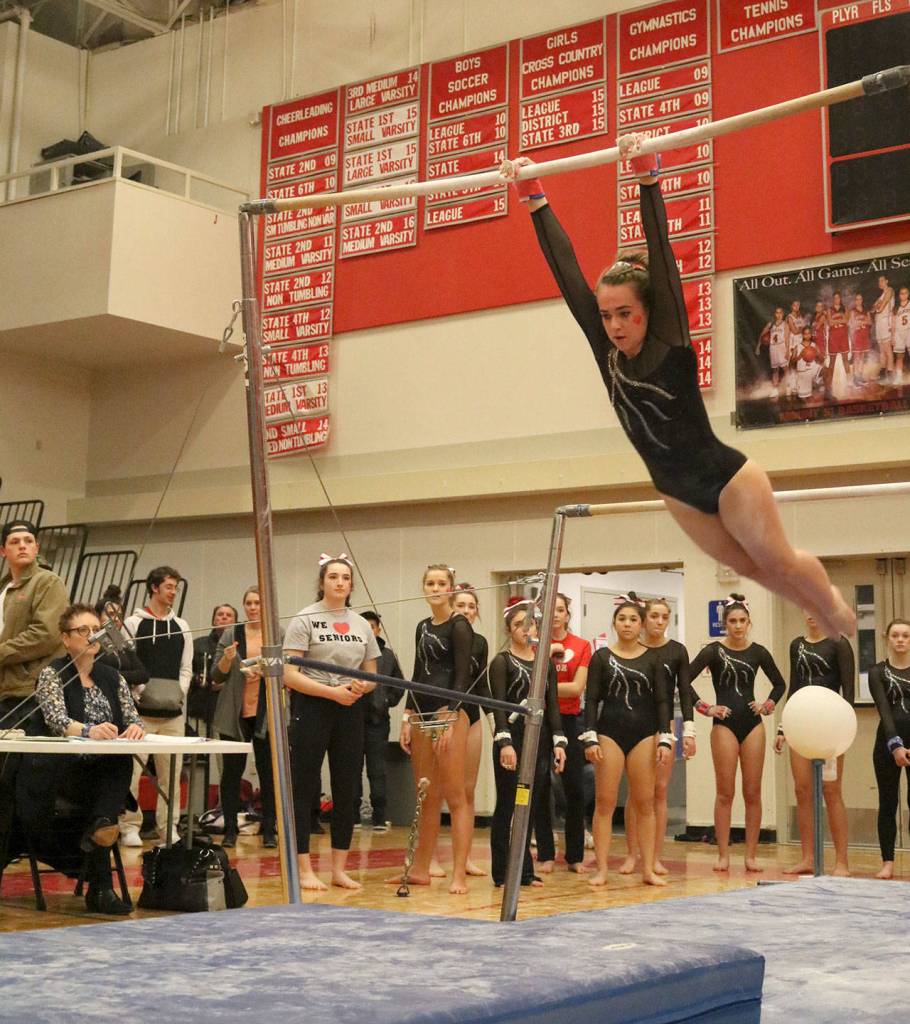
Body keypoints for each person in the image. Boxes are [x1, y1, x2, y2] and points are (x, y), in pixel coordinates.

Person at [501, 141, 854, 640]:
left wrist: (648, 180)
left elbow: (662, 253)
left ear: (648, 309)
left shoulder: (668, 338)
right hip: (678, 493)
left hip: (728, 479)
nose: (615, 325)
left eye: (625, 313)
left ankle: (833, 606)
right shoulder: (604, 348)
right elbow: (566, 273)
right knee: (756, 573)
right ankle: (817, 609)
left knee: (779, 560)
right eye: (606, 315)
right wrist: (533, 195)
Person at [33, 604, 146, 914]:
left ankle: (100, 832)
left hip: (104, 772)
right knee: (106, 795)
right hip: (65, 770)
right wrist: (89, 731)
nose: (92, 635)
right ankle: (101, 884)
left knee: (119, 764)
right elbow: (56, 720)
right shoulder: (52, 674)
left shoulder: (113, 676)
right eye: (83, 630)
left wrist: (135, 728)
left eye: (95, 628)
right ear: (65, 638)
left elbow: (133, 716)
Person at [283, 555, 380, 891]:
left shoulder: (361, 624)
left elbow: (372, 675)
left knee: (347, 786)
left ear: (351, 584)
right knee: (305, 785)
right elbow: (289, 674)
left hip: (350, 708)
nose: (340, 582)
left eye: (345, 578)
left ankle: (339, 868)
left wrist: (359, 687)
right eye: (333, 577)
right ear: (322, 581)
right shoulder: (305, 618)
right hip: (312, 705)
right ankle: (303, 866)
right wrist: (329, 692)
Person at [689, 595, 786, 873]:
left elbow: (780, 683)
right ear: (724, 624)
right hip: (724, 726)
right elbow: (683, 681)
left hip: (752, 724)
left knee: (753, 792)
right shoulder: (713, 651)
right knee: (725, 792)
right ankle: (723, 854)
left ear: (749, 622)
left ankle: (751, 855)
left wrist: (767, 706)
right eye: (732, 621)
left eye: (742, 621)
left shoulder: (758, 652)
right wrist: (706, 708)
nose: (738, 626)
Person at [393, 564, 474, 895]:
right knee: (425, 795)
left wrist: (452, 715)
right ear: (424, 588)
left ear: (451, 588)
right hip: (422, 714)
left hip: (450, 714)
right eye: (430, 582)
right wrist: (407, 715)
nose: (436, 587)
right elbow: (417, 672)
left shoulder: (459, 626)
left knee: (455, 797)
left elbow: (462, 676)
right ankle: (421, 870)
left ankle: (458, 874)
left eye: (442, 583)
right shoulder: (423, 626)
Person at [580, 595, 671, 888]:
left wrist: (665, 739)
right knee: (605, 803)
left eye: (633, 619)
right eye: (622, 619)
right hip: (609, 733)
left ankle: (647, 868)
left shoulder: (653, 659)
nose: (628, 624)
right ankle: (603, 869)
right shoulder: (601, 658)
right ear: (615, 624)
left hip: (644, 734)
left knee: (645, 803)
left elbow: (661, 702)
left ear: (640, 624)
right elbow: (591, 700)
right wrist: (590, 737)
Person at [489, 601, 566, 887]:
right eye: (519, 624)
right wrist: (505, 742)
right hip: (512, 740)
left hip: (539, 741)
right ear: (509, 629)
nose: (526, 629)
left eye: (530, 624)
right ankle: (501, 872)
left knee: (529, 804)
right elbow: (497, 706)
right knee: (508, 806)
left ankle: (524, 870)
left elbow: (554, 706)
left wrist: (559, 742)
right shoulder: (502, 662)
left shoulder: (544, 664)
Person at [775, 613, 854, 876]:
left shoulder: (839, 643)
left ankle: (841, 861)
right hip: (800, 724)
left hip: (830, 726)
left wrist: (843, 729)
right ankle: (808, 857)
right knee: (802, 790)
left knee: (831, 791)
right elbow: (794, 686)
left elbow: (849, 692)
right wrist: (783, 728)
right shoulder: (796, 645)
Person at [621, 596, 694, 876]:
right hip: (635, 721)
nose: (659, 622)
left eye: (665, 617)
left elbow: (685, 692)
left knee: (659, 791)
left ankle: (655, 855)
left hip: (664, 724)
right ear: (644, 618)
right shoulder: (632, 649)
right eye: (654, 616)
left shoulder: (676, 651)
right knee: (636, 792)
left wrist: (689, 729)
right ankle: (631, 853)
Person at [121, 566, 193, 846]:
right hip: (139, 715)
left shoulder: (182, 626)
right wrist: (140, 693)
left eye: (175, 587)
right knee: (133, 774)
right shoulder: (133, 624)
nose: (173, 592)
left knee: (171, 775)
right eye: (169, 587)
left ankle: (168, 827)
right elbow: (126, 665)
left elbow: (186, 667)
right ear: (154, 588)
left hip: (172, 714)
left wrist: (178, 693)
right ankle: (129, 825)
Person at [212, 586, 279, 848]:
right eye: (249, 603)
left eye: (258, 603)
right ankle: (230, 828)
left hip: (266, 714)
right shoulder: (231, 633)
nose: (253, 608)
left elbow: (287, 672)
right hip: (234, 714)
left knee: (268, 773)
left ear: (267, 607)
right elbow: (216, 676)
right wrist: (228, 661)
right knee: (231, 774)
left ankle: (269, 829)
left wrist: (265, 673)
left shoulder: (277, 634)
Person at [430, 584, 488, 876]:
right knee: (439, 787)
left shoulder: (480, 642)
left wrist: (497, 723)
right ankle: (430, 858)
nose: (466, 611)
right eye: (462, 605)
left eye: (472, 607)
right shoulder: (442, 634)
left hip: (472, 714)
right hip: (444, 713)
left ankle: (463, 858)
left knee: (467, 789)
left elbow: (480, 682)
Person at [533, 592, 590, 874]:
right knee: (540, 788)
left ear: (568, 614)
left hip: (569, 721)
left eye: (559, 610)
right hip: (539, 721)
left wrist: (544, 691)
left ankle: (575, 855)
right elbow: (526, 686)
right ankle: (545, 852)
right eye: (548, 610)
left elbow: (577, 688)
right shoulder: (534, 647)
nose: (554, 615)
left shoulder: (581, 646)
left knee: (575, 790)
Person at [0, 520, 69, 733]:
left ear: (36, 548)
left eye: (28, 541)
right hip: (6, 689)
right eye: (15, 541)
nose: (22, 545)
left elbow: (46, 635)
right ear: (3, 551)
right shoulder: (3, 588)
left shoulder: (47, 581)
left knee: (24, 763)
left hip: (31, 690)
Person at [353, 609, 404, 833]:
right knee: (352, 769)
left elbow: (399, 684)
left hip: (378, 721)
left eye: (372, 627)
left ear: (378, 629)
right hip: (352, 719)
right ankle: (352, 815)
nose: (368, 630)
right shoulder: (351, 653)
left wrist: (387, 700)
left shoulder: (389, 656)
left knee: (377, 769)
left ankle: (379, 817)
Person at [868, 618, 910, 880]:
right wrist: (895, 745)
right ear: (887, 638)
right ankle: (887, 862)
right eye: (895, 635)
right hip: (886, 744)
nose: (901, 640)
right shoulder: (877, 672)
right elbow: (885, 711)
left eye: (906, 636)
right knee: (887, 803)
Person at [188, 603, 237, 737]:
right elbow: (187, 672)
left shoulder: (241, 647)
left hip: (229, 710)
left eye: (229, 615)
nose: (224, 618)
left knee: (222, 754)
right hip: (201, 707)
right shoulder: (197, 644)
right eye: (220, 614)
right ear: (214, 620)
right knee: (198, 752)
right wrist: (201, 680)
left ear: (235, 622)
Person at [93, 585, 150, 699]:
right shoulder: (92, 640)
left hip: (123, 698)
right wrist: (127, 676)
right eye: (111, 614)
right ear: (98, 617)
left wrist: (115, 675)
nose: (116, 619)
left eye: (119, 615)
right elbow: (96, 672)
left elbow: (143, 675)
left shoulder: (119, 640)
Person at [872, 275, 894, 383]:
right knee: (881, 351)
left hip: (886, 322)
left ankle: (890, 374)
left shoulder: (890, 290)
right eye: (878, 281)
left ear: (886, 281)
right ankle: (883, 373)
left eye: (882, 280)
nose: (880, 282)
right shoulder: (880, 296)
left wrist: (878, 306)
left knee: (888, 350)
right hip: (879, 324)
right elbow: (872, 309)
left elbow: (880, 308)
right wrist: (877, 306)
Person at [848, 293, 872, 387]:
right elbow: (852, 324)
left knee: (862, 357)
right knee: (856, 358)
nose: (858, 301)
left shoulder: (866, 311)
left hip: (864, 336)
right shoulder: (853, 311)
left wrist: (861, 322)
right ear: (855, 301)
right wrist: (863, 321)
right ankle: (855, 378)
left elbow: (870, 322)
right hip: (856, 336)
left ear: (862, 300)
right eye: (857, 299)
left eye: (860, 299)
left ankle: (860, 376)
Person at [893, 286, 910, 386]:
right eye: (901, 293)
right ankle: (899, 378)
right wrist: (892, 337)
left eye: (905, 293)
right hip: (899, 333)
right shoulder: (896, 308)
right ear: (899, 296)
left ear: (908, 294)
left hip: (909, 331)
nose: (903, 295)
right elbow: (893, 323)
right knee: (899, 357)